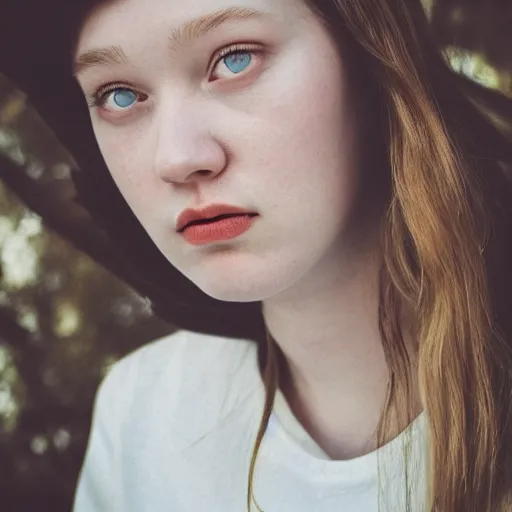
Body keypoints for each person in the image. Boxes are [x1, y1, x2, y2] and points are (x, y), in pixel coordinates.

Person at [1, 0, 512, 510]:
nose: (177, 158)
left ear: (369, 62)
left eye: (235, 58)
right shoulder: (138, 411)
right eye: (119, 95)